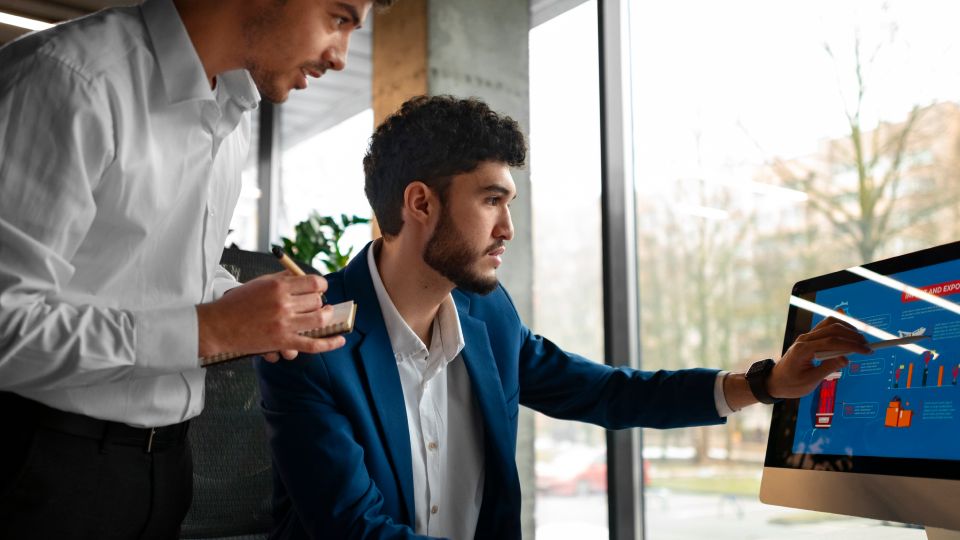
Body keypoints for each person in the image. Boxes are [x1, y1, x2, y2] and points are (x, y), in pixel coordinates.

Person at [254, 95, 871, 539]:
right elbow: (355, 531)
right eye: (492, 199)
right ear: (420, 202)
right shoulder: (310, 334)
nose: (508, 229)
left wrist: (763, 384)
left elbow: (603, 393)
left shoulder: (488, 318)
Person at [0, 0, 391, 538]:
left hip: (165, 469)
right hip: (38, 464)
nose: (342, 56)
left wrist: (243, 308)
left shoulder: (232, 114)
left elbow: (168, 271)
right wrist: (210, 331)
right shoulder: (71, 80)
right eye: (339, 18)